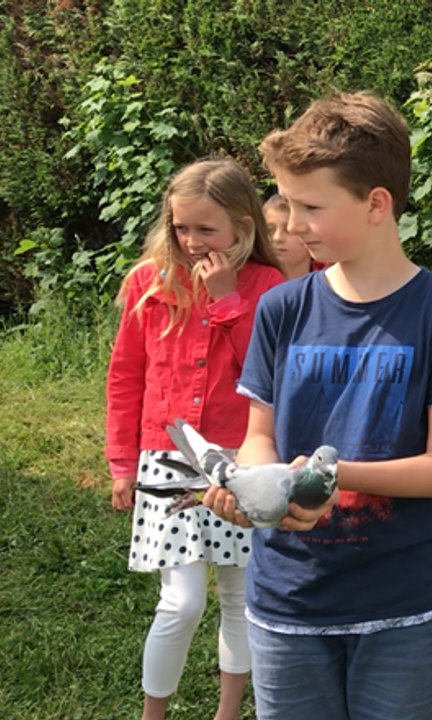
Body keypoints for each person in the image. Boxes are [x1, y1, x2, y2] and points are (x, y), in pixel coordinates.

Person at [203, 92, 432, 720]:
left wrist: (328, 477)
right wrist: (257, 484)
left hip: (401, 609)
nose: (291, 224)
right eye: (286, 202)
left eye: (310, 206)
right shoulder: (283, 307)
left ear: (376, 205)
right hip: (287, 603)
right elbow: (259, 434)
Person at [105, 157, 285, 720]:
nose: (190, 240)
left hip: (241, 457)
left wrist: (228, 297)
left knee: (239, 596)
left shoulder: (270, 286)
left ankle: (227, 713)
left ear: (243, 224)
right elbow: (126, 373)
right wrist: (120, 462)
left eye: (205, 228)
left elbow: (266, 374)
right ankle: (152, 714)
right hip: (167, 456)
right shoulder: (148, 281)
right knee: (180, 601)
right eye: (181, 226)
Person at [263, 193, 322, 279]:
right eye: (270, 230)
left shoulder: (332, 282)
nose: (277, 238)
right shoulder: (247, 283)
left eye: (288, 230)